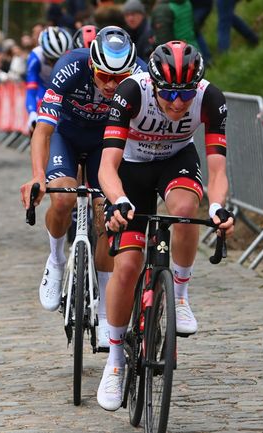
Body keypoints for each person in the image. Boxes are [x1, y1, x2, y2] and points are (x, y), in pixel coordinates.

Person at [95, 41, 234, 411]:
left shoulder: (210, 99)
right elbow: (106, 166)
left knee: (187, 207)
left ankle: (181, 294)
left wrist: (219, 206)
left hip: (176, 160)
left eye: (185, 93)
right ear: (153, 83)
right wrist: (119, 199)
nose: (176, 103)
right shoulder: (131, 92)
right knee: (126, 265)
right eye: (169, 92)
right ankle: (114, 361)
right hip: (131, 168)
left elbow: (217, 169)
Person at [19, 26, 146, 348]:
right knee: (62, 200)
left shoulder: (142, 75)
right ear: (92, 65)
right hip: (67, 137)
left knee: (108, 219)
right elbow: (44, 131)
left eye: (120, 79)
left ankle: (105, 311)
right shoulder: (70, 67)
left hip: (108, 143)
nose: (111, 85)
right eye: (104, 76)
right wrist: (37, 175)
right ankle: (56, 260)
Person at [25, 26, 73, 132]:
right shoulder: (35, 57)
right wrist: (32, 113)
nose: (56, 64)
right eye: (52, 60)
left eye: (60, 60)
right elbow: (31, 90)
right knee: (37, 124)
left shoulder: (73, 56)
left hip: (65, 89)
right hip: (44, 89)